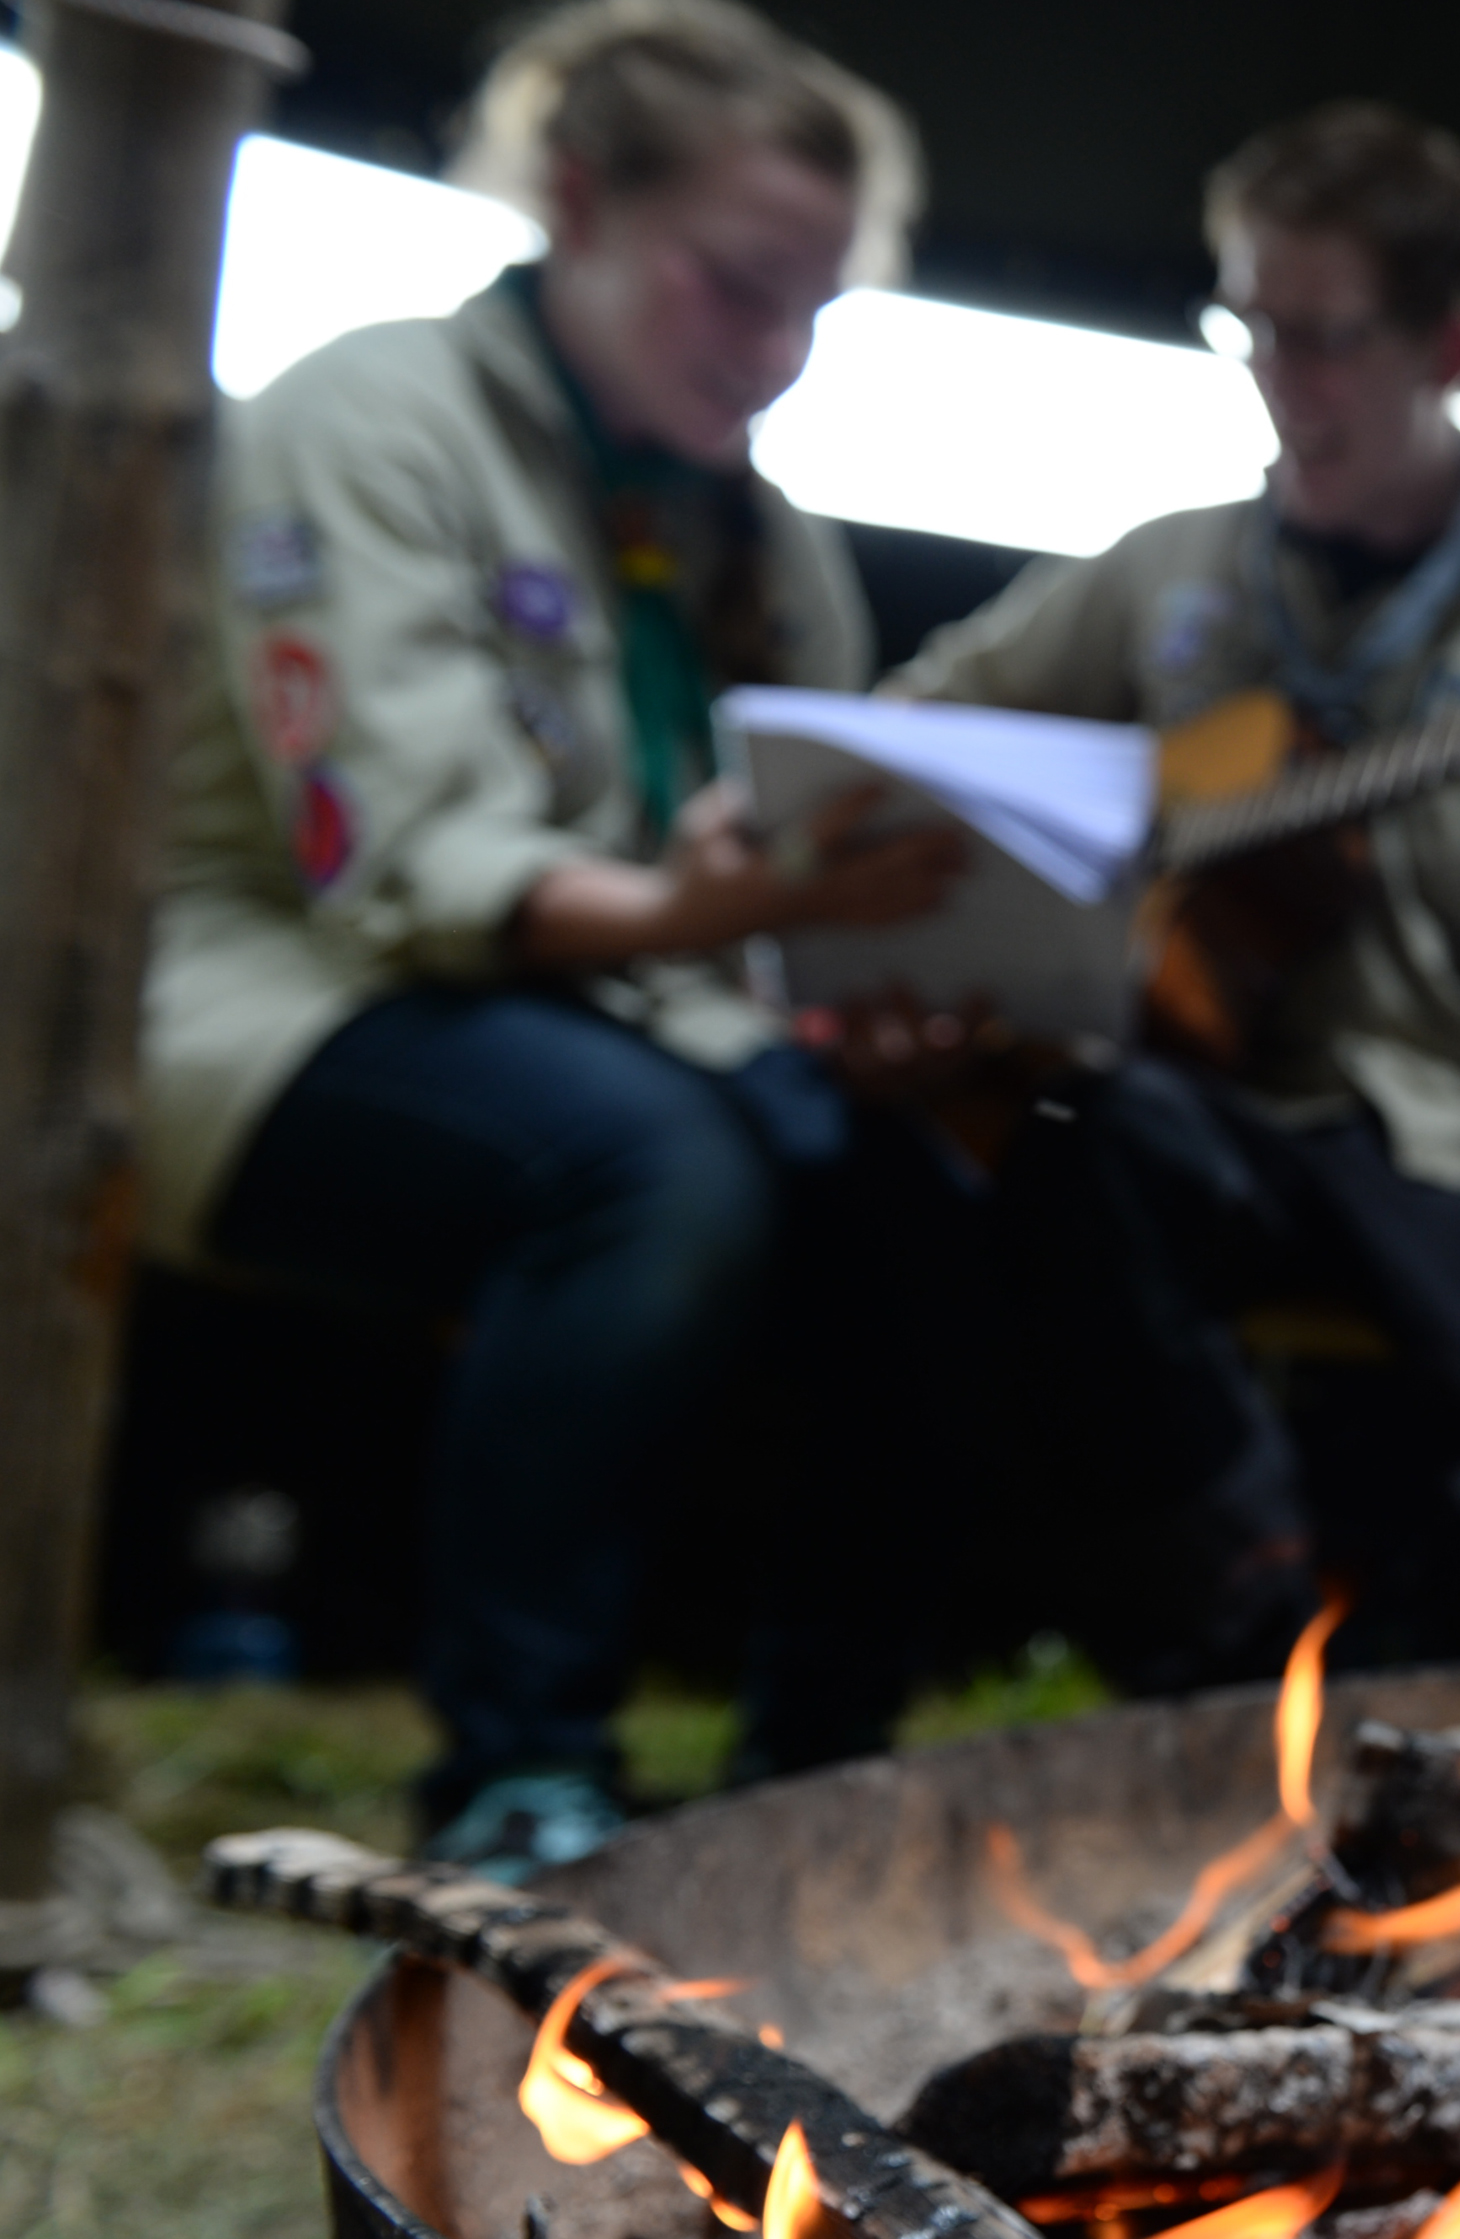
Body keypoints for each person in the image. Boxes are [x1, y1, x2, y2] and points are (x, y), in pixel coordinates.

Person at [138, 0, 950, 1867]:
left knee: (914, 1171)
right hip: (279, 1002)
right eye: (742, 288)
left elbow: (785, 862)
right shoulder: (374, 417)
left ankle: (818, 1773)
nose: (780, 354)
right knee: (647, 1170)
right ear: (580, 202)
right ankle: (518, 1775)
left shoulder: (761, 532)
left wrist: (863, 980)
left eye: (818, 307)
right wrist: (707, 913)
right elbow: (400, 866)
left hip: (634, 1007)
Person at [884, 102, 1460, 1681]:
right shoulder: (1174, 568)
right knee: (1046, 1143)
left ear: (1451, 341)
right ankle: (1233, 1655)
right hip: (1211, 1114)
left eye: (1320, 337)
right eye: (1243, 324)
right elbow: (921, 729)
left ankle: (1361, 1682)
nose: (1273, 378)